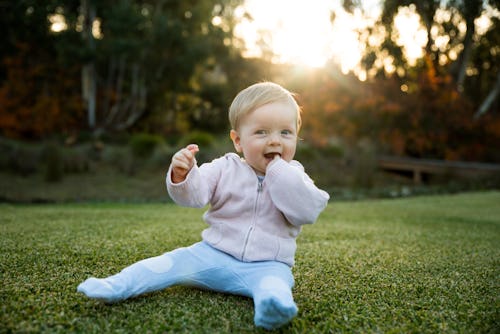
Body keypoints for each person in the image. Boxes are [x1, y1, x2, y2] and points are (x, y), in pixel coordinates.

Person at [77, 82, 330, 330]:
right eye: (261, 132)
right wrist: (182, 173)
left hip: (268, 265)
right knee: (169, 262)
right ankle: (116, 285)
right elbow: (194, 195)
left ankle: (272, 308)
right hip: (213, 255)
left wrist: (278, 172)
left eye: (285, 133)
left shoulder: (295, 175)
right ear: (238, 141)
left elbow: (306, 210)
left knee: (275, 285)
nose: (275, 141)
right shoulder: (224, 167)